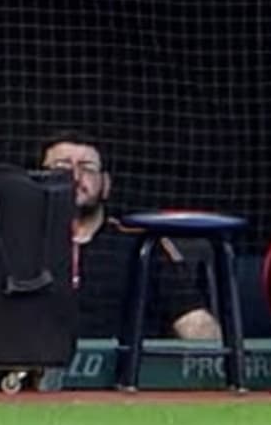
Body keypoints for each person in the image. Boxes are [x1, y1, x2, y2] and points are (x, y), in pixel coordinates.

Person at [39, 132, 221, 347]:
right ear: (38, 180)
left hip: (124, 375)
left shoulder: (142, 244)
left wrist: (210, 364)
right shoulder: (13, 242)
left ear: (106, 184)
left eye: (87, 168)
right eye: (62, 167)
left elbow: (193, 320)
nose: (76, 177)